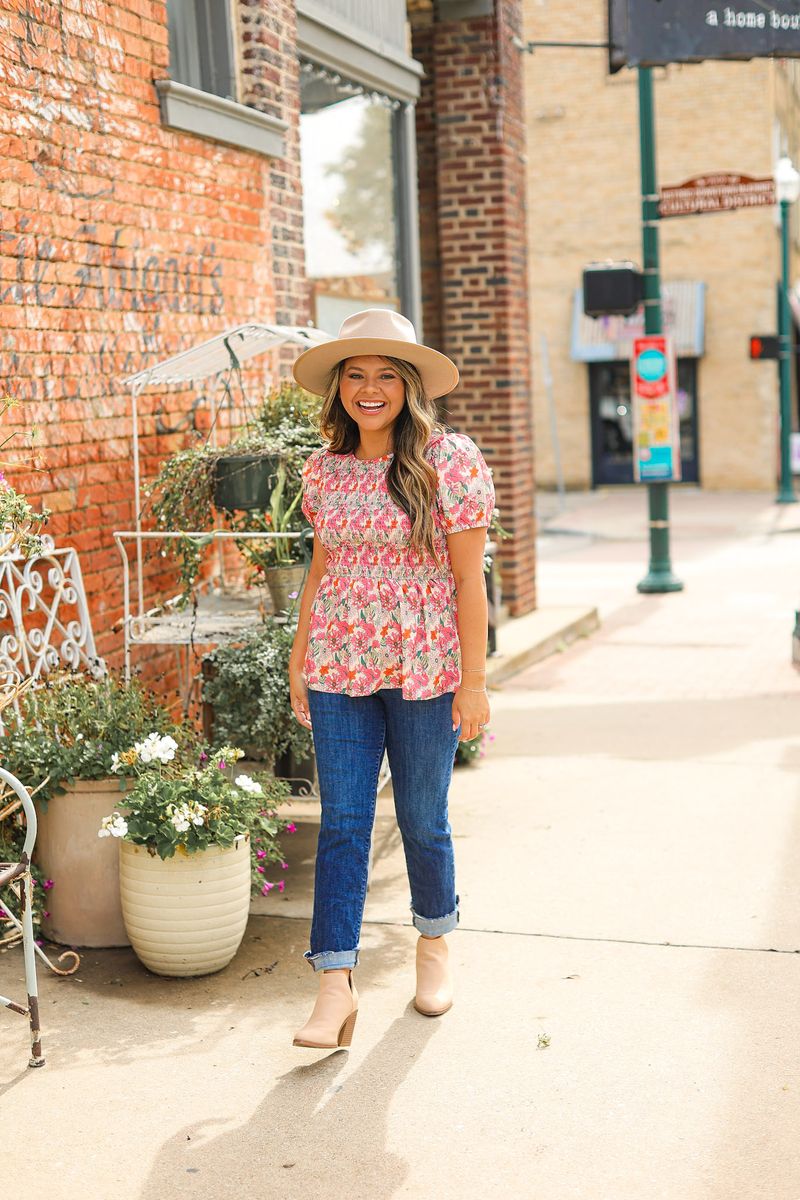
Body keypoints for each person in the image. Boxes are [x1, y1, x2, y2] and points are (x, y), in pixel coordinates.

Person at [288, 308, 494, 1050]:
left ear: (409, 385)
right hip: (338, 665)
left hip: (427, 667)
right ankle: (333, 985)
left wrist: (474, 681)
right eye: (355, 374)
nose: (368, 388)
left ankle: (434, 942)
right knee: (343, 821)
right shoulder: (323, 468)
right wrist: (297, 657)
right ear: (338, 385)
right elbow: (321, 570)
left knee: (421, 817)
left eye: (384, 375)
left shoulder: (451, 461)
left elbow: (469, 581)